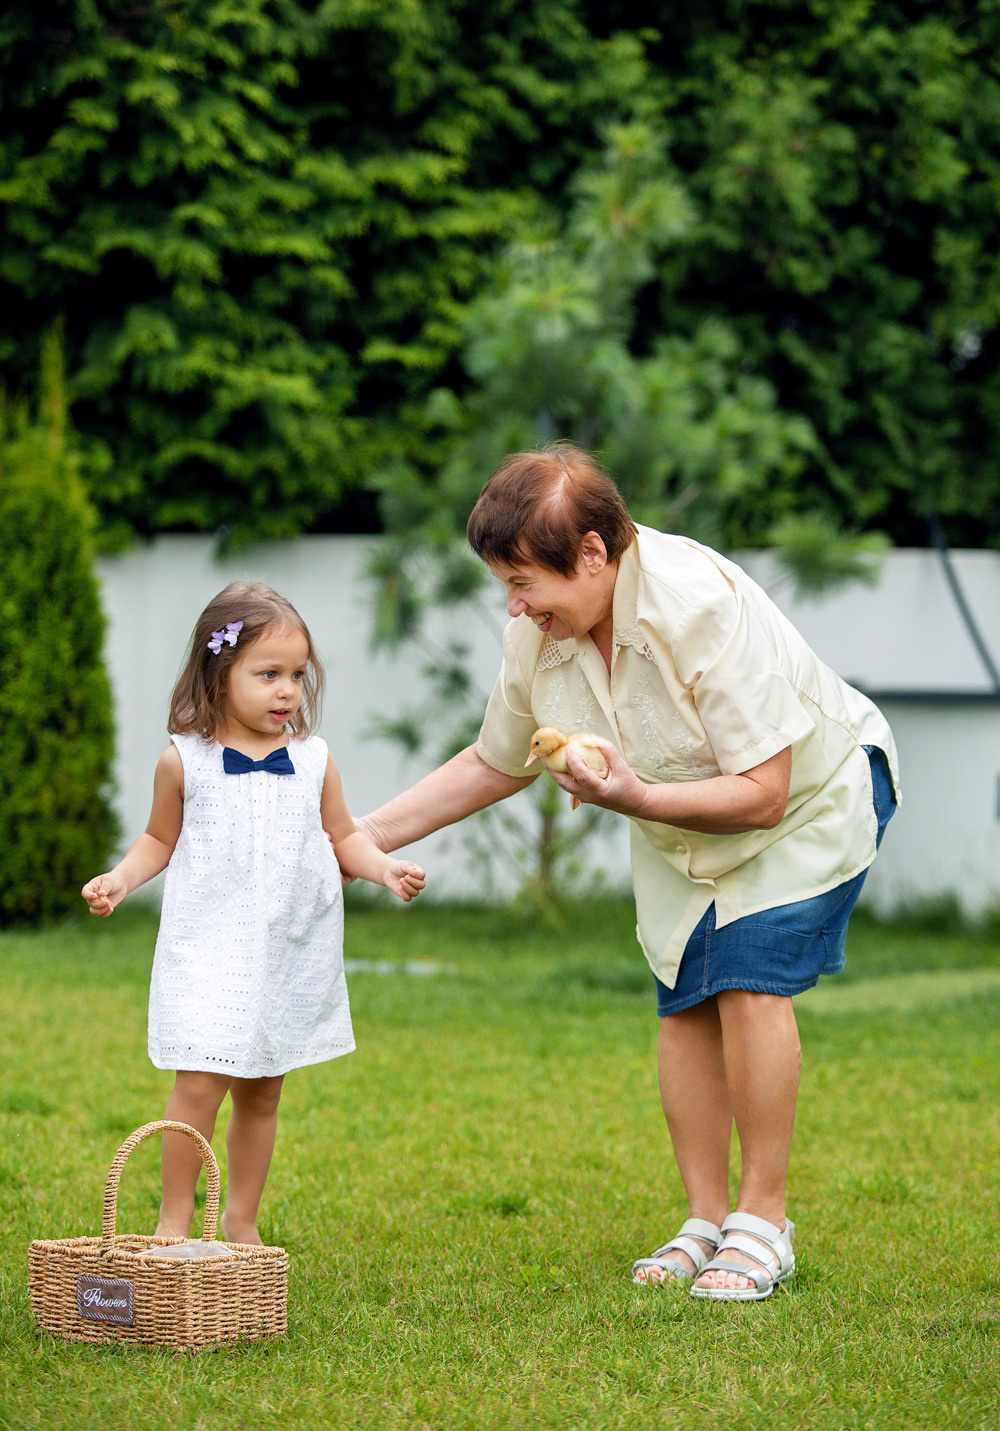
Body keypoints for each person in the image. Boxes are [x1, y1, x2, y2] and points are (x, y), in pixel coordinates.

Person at [356, 444, 899, 1302]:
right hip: (678, 821)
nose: (513, 604)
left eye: (524, 581)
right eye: (504, 583)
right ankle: (705, 1220)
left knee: (749, 976)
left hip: (807, 805)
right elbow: (496, 762)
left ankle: (764, 1225)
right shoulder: (539, 635)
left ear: (596, 555)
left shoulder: (697, 607)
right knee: (685, 997)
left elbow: (764, 793)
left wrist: (636, 795)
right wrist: (364, 836)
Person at [82, 582, 425, 1246]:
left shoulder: (313, 760)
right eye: (268, 674)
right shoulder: (185, 762)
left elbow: (343, 836)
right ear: (219, 673)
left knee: (263, 1090)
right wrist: (121, 878)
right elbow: (158, 840)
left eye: (297, 675)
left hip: (283, 955)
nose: (287, 691)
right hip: (210, 950)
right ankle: (174, 1220)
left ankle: (240, 1218)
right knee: (199, 1085)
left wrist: (384, 869)